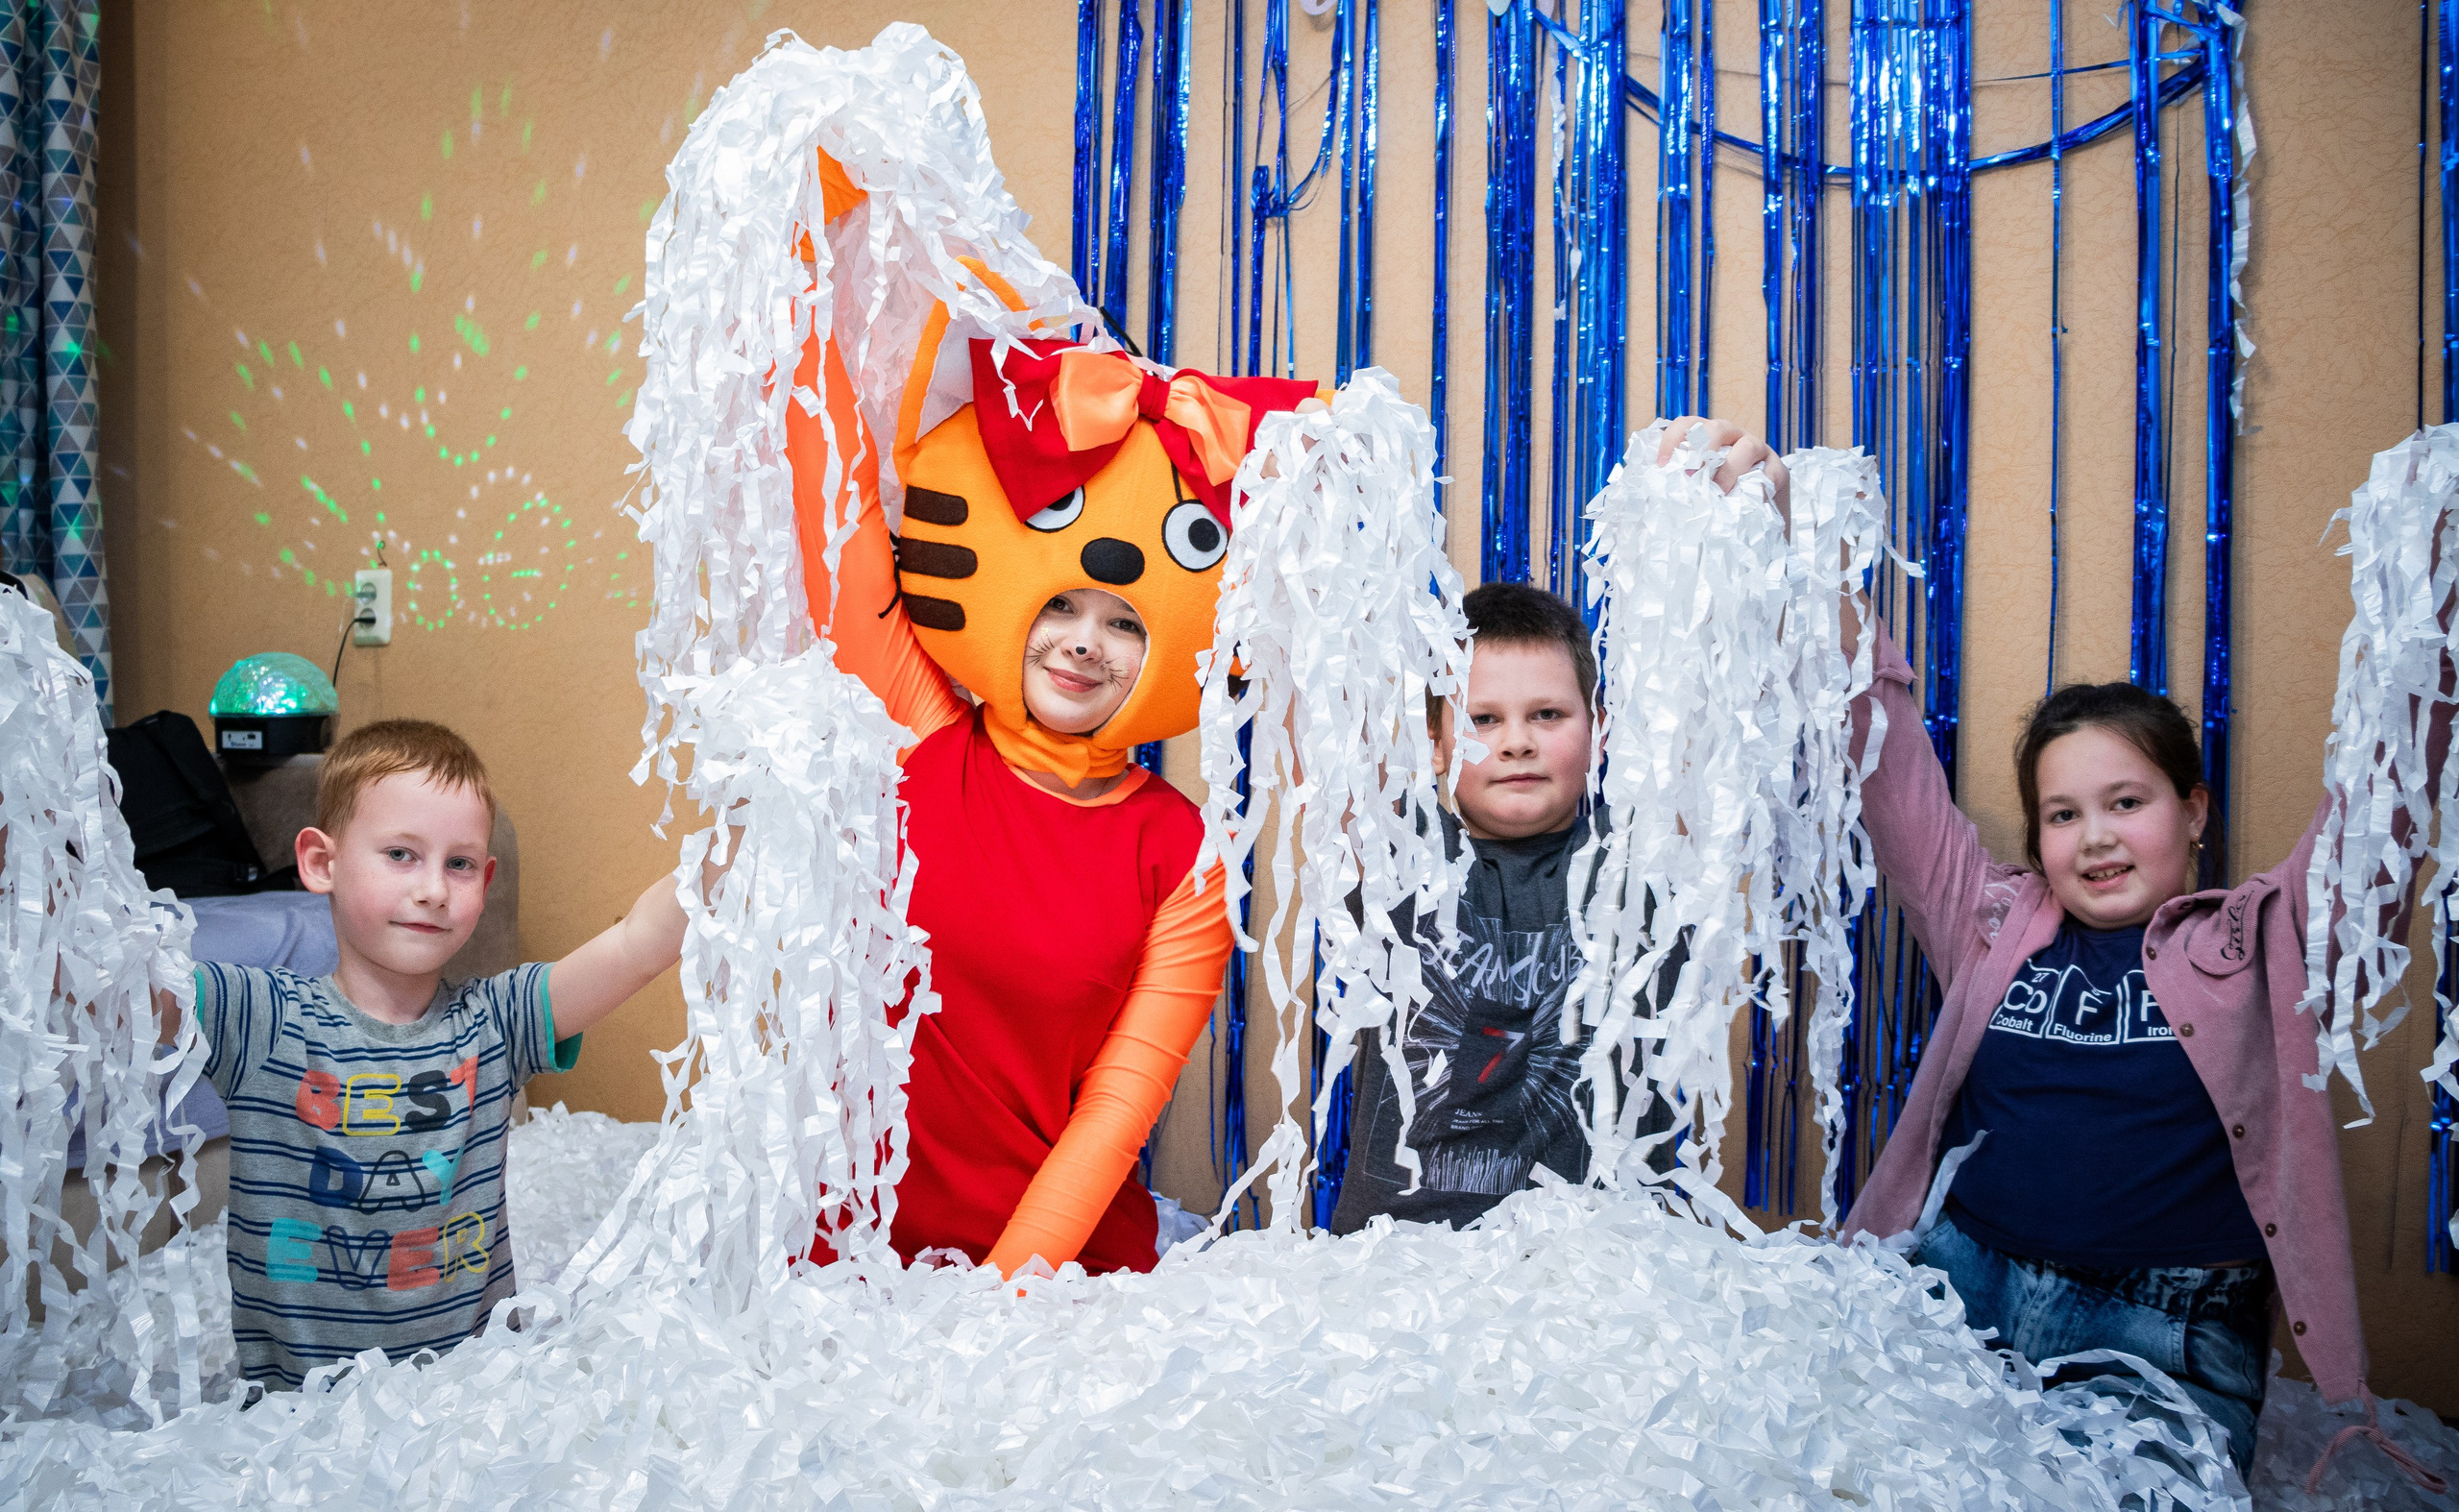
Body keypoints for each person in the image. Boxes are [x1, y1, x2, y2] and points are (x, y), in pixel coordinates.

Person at [1654, 415, 2451, 1484]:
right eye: (2063, 815)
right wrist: (1792, 536)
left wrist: (2435, 570)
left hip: (2162, 1331)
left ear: (2193, 810)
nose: (2097, 837)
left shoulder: (2262, 938)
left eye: (2127, 802)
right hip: (1959, 1288)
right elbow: (1880, 742)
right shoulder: (1992, 920)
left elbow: (2385, 801)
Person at [783, 152, 1318, 1277]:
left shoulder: (1186, 857)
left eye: (1124, 622)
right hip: (850, 1268)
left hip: (1055, 1290)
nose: (1084, 642)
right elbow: (828, 495)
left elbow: (1116, 1115)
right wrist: (811, 226)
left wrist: (998, 1317)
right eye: (1062, 604)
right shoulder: (916, 728)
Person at [182, 719, 687, 1390]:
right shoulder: (258, 1016)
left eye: (460, 864)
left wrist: (753, 805)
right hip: (297, 1420)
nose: (434, 889)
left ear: (486, 879)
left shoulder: (498, 1020)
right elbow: (115, 985)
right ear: (322, 863)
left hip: (467, 1408)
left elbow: (638, 944)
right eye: (401, 854)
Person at [1327, 582, 1604, 1232]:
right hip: (1397, 1262)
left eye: (1548, 715)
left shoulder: (1633, 868)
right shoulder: (1401, 860)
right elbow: (1322, 697)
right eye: (1483, 719)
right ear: (1436, 743)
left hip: (1597, 1268)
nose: (1516, 742)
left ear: (1599, 730)